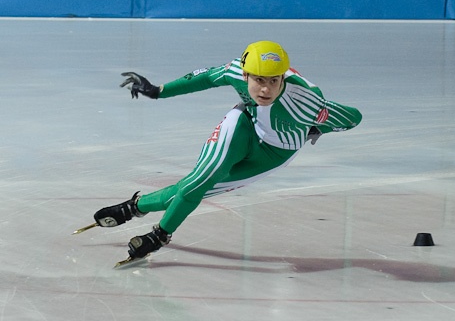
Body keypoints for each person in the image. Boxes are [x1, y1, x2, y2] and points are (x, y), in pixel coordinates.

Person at [91, 40, 362, 262]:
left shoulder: (306, 103)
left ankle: (136, 207)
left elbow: (353, 118)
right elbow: (206, 77)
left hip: (275, 153)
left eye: (274, 81)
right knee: (200, 180)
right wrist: (158, 91)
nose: (266, 89)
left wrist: (318, 129)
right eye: (258, 80)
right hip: (245, 124)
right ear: (245, 75)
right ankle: (160, 234)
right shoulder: (236, 71)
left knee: (193, 189)